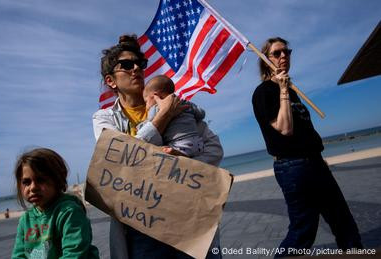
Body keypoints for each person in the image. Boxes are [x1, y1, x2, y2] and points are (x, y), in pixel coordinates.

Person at [93, 34, 224, 259]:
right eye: (126, 65)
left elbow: (214, 149)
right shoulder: (104, 118)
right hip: (142, 229)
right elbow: (120, 160)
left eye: (139, 64)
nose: (136, 68)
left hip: (189, 220)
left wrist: (179, 163)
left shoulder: (173, 101)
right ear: (110, 81)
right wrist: (163, 115)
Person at [251, 37, 363, 257]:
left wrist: (317, 158)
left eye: (287, 51)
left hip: (314, 163)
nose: (284, 56)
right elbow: (284, 128)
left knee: (343, 221)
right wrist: (283, 90)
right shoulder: (264, 92)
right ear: (266, 60)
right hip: (293, 168)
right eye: (277, 53)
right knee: (303, 232)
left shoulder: (292, 91)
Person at [11, 148, 99, 259]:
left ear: (57, 180)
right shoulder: (25, 220)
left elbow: (74, 253)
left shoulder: (69, 212)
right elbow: (18, 255)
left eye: (40, 180)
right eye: (26, 182)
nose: (33, 187)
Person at [141, 75, 205, 157]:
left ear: (156, 96)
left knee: (163, 151)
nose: (146, 106)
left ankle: (180, 154)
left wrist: (141, 125)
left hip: (179, 144)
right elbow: (201, 113)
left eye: (146, 101)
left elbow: (150, 123)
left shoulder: (156, 108)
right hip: (198, 143)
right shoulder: (184, 103)